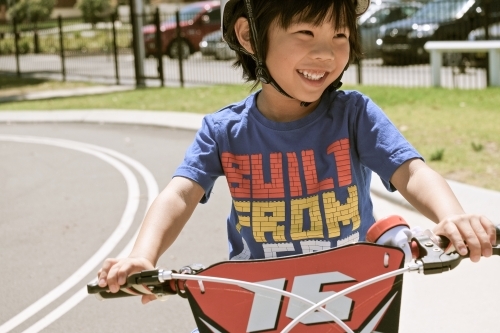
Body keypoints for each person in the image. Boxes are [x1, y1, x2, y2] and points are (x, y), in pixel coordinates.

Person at [97, 0, 496, 304]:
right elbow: (179, 194)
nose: (326, 53)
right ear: (250, 36)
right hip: (256, 302)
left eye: (339, 36)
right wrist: (143, 255)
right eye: (305, 32)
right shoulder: (223, 132)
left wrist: (452, 216)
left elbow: (412, 172)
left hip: (353, 297)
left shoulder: (354, 115)